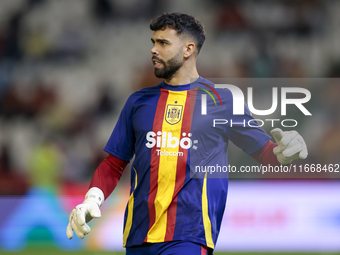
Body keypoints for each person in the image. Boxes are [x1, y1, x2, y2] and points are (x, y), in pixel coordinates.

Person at [66, 12, 308, 255]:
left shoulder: (222, 100)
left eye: (163, 43)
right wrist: (92, 200)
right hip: (138, 236)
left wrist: (286, 152)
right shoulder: (138, 102)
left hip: (189, 236)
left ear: (188, 49)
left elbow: (267, 154)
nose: (153, 49)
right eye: (153, 42)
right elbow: (114, 163)